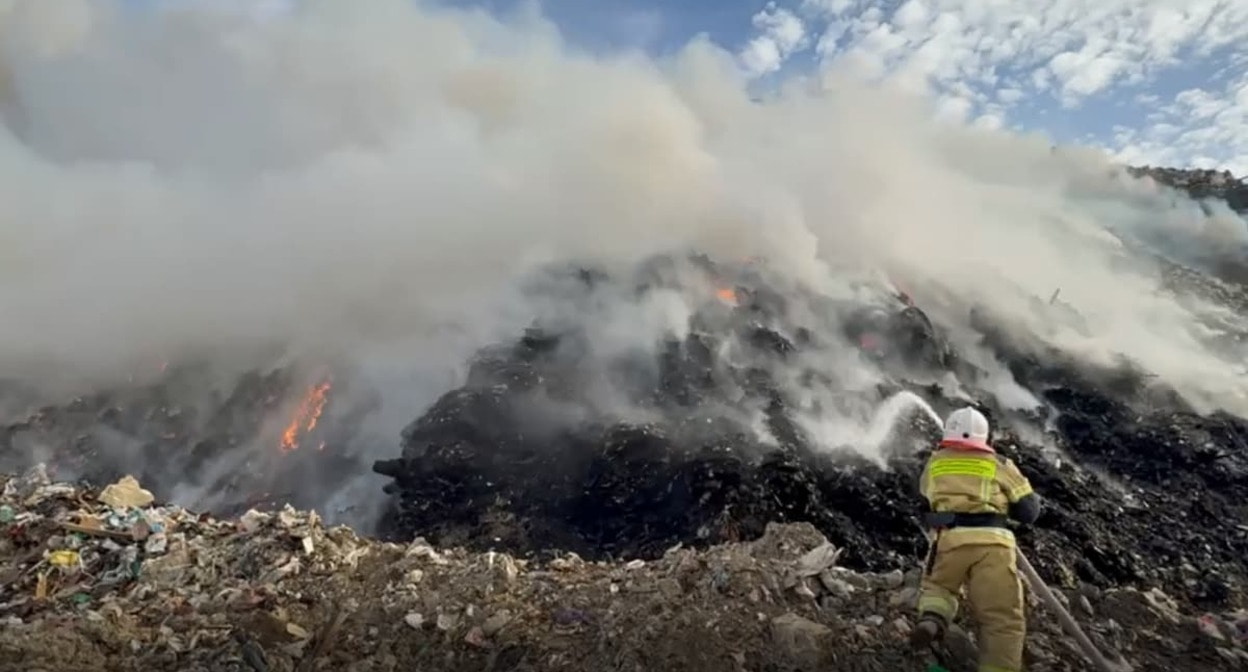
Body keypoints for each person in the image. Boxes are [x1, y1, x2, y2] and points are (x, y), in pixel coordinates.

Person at [910, 406, 1042, 672]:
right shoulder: (1000, 465)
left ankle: (932, 619)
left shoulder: (935, 463)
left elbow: (924, 498)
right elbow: (1029, 510)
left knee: (939, 588)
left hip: (949, 540)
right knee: (1001, 618)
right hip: (994, 545)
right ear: (986, 439)